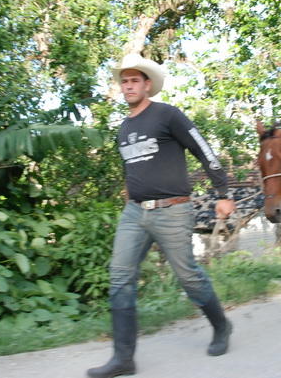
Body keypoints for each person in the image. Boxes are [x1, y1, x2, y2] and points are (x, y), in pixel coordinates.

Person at [86, 54, 236, 378]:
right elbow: (132, 168)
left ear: (147, 84)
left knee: (188, 277)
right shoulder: (124, 127)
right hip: (134, 213)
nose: (128, 86)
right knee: (119, 277)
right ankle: (123, 358)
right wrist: (131, 197)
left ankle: (221, 326)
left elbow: (203, 149)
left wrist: (224, 193)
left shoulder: (167, 114)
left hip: (172, 210)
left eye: (134, 81)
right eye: (124, 81)